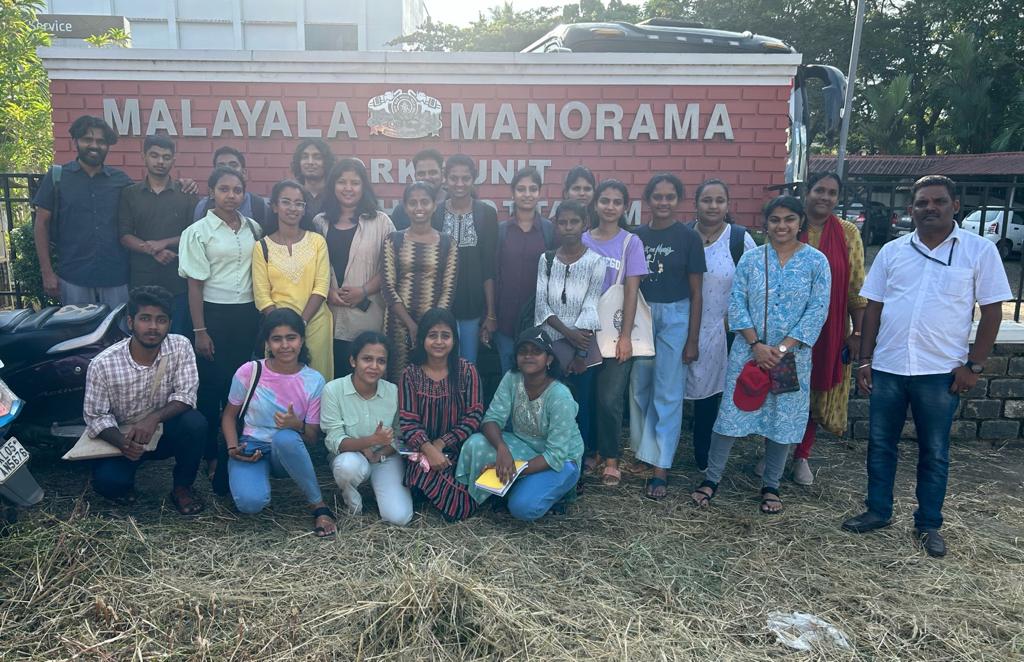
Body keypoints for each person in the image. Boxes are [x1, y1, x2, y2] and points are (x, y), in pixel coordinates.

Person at [842, 176, 1011, 558]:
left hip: (940, 373)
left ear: (955, 206)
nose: (929, 208)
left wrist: (975, 366)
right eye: (921, 202)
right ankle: (878, 511)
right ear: (911, 209)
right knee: (881, 445)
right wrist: (866, 359)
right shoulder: (892, 251)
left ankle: (928, 524)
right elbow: (874, 309)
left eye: (938, 201)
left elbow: (991, 312)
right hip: (889, 367)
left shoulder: (978, 251)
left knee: (934, 451)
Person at [690, 196, 830, 515]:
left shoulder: (816, 262)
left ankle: (771, 484)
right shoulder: (753, 259)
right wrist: (756, 344)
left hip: (790, 358)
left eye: (789, 219)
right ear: (765, 223)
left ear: (800, 223)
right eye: (775, 219)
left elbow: (817, 309)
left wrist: (782, 349)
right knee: (729, 417)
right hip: (748, 352)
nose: (782, 226)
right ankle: (711, 479)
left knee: (782, 420)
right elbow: (736, 302)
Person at [763, 172, 866, 485]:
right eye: (819, 190)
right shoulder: (788, 226)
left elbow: (856, 288)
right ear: (807, 192)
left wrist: (858, 333)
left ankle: (802, 455)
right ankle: (771, 457)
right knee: (780, 390)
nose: (825, 197)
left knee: (815, 393)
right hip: (785, 331)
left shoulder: (848, 233)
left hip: (829, 331)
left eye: (832, 192)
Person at [83, 286, 206, 515]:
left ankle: (182, 487)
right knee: (109, 483)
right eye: (145, 319)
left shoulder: (180, 346)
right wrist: (122, 442)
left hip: (164, 431)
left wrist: (154, 418)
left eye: (161, 320)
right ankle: (124, 480)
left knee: (195, 423)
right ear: (130, 322)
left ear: (169, 323)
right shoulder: (103, 364)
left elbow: (186, 395)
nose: (153, 327)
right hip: (124, 437)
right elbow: (96, 417)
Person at [178, 166, 262, 493]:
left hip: (247, 317)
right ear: (211, 191)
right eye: (224, 189)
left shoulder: (254, 228)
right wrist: (200, 330)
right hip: (213, 316)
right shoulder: (198, 232)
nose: (231, 196)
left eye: (237, 190)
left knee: (241, 387)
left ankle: (238, 456)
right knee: (212, 389)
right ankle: (211, 456)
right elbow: (194, 287)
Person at [221, 309, 335, 537]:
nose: (285, 345)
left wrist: (296, 425)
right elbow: (228, 416)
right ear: (267, 343)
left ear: (302, 341)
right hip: (250, 447)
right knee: (250, 504)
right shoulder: (249, 372)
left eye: (291, 338)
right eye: (277, 339)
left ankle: (319, 506)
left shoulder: (314, 380)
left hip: (287, 452)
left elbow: (312, 438)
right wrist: (233, 448)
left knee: (286, 437)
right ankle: (255, 477)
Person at [456, 327, 583, 521]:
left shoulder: (560, 396)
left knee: (522, 507)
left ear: (548, 359)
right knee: (475, 443)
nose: (528, 356)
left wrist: (512, 469)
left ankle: (555, 492)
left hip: (560, 461)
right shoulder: (512, 378)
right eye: (523, 352)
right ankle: (507, 487)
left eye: (536, 351)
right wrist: (502, 449)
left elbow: (555, 455)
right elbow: (491, 419)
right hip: (522, 446)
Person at [630, 174, 706, 500]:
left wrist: (692, 338)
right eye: (657, 196)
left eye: (669, 197)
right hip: (643, 314)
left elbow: (697, 293)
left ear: (678, 200)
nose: (663, 202)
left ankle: (661, 466)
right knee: (639, 389)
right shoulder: (636, 237)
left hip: (676, 315)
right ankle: (643, 453)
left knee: (668, 392)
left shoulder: (689, 238)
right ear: (648, 200)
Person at [684, 179, 756, 472]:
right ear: (696, 204)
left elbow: (754, 286)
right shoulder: (683, 237)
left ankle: (705, 457)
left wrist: (731, 323)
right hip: (682, 328)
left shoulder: (739, 240)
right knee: (671, 393)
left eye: (719, 201)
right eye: (706, 200)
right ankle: (663, 456)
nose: (712, 206)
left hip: (721, 330)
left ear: (727, 205)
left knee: (710, 398)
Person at [582, 180, 648, 487]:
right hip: (584, 331)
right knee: (585, 396)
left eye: (616, 201)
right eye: (604, 200)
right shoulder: (582, 239)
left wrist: (625, 337)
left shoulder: (630, 242)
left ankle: (611, 458)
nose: (610, 206)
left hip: (616, 330)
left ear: (624, 207)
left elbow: (631, 293)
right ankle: (590, 452)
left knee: (609, 398)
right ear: (595, 204)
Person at [33, 115, 133, 306]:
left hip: (115, 276)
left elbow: (148, 193)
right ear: (76, 142)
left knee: (119, 333)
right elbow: (41, 223)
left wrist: (184, 184)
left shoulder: (121, 181)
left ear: (107, 146)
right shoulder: (58, 178)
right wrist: (47, 272)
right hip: (73, 276)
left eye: (101, 141)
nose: (94, 145)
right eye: (88, 139)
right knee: (77, 333)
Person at [534, 200, 604, 470]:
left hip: (583, 349)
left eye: (574, 221)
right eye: (563, 222)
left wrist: (580, 351)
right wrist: (567, 334)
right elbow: (542, 304)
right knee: (553, 404)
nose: (568, 227)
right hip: (551, 345)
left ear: (585, 223)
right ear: (556, 225)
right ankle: (552, 456)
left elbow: (591, 304)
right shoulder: (547, 259)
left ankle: (581, 457)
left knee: (581, 404)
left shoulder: (595, 261)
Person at [399, 308, 484, 522]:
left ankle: (438, 495)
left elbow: (474, 415)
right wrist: (428, 448)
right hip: (421, 451)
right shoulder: (410, 374)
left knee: (459, 487)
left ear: (454, 340)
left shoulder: (467, 370)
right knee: (421, 470)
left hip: (458, 452)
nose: (439, 342)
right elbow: (408, 422)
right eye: (432, 335)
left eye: (445, 336)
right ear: (422, 339)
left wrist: (441, 444)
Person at [313, 159, 395, 378]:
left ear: (364, 187)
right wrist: (327, 292)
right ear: (333, 186)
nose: (348, 188)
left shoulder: (382, 222)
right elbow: (310, 268)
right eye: (342, 182)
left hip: (367, 315)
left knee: (366, 375)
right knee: (332, 377)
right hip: (328, 317)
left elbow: (392, 268)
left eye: (355, 183)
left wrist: (365, 290)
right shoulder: (319, 222)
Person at [322, 331, 413, 526]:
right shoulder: (333, 390)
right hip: (350, 456)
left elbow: (400, 434)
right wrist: (371, 441)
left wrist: (379, 453)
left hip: (384, 457)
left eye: (381, 361)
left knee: (399, 518)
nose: (374, 366)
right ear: (353, 361)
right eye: (367, 359)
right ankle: (353, 507)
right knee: (347, 466)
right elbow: (334, 440)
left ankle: (378, 488)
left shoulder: (393, 392)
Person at [252, 180, 333, 381]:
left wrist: (301, 323)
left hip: (315, 324)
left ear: (305, 209)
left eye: (299, 203)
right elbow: (262, 295)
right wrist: (283, 328)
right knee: (280, 383)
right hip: (277, 331)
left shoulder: (317, 242)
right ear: (274, 206)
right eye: (286, 202)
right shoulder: (262, 247)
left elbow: (321, 287)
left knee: (316, 383)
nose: (293, 208)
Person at [118, 135, 199, 335]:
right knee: (143, 338)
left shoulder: (186, 193)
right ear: (144, 156)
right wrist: (152, 251)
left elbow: (194, 235)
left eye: (166, 157)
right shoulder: (130, 194)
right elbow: (124, 235)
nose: (160, 161)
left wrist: (164, 243)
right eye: (154, 155)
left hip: (177, 283)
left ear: (173, 160)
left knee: (176, 337)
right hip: (142, 282)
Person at [381, 182, 458, 381]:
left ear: (434, 205)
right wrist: (411, 325)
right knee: (397, 378)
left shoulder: (448, 243)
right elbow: (388, 287)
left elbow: (448, 289)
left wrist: (429, 327)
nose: (419, 208)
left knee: (430, 379)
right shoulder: (393, 240)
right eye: (413, 203)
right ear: (405, 207)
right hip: (397, 324)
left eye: (424, 202)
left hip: (434, 329)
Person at [431, 154, 498, 363]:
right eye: (454, 178)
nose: (459, 184)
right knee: (440, 364)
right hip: (440, 306)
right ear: (445, 179)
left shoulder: (486, 213)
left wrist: (491, 313)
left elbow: (489, 266)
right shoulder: (435, 212)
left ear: (473, 179)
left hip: (473, 307)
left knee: (468, 364)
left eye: (465, 178)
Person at [494, 166, 556, 373]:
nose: (527, 194)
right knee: (508, 374)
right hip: (506, 318)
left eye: (532, 189)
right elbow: (494, 274)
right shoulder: (501, 231)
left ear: (539, 193)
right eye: (521, 189)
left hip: (538, 318)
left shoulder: (549, 230)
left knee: (537, 375)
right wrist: (490, 315)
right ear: (513, 193)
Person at [192, 147, 270, 231]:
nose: (227, 170)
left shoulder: (258, 206)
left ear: (244, 173)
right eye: (221, 166)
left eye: (233, 165)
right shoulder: (202, 207)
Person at [390, 149, 446, 230]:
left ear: (442, 174)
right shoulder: (401, 211)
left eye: (432, 172)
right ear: (415, 176)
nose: (427, 177)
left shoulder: (453, 206)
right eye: (421, 173)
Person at [290, 138, 335, 221]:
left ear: (326, 162)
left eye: (317, 157)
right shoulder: (291, 194)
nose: (310, 162)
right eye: (305, 157)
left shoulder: (336, 194)